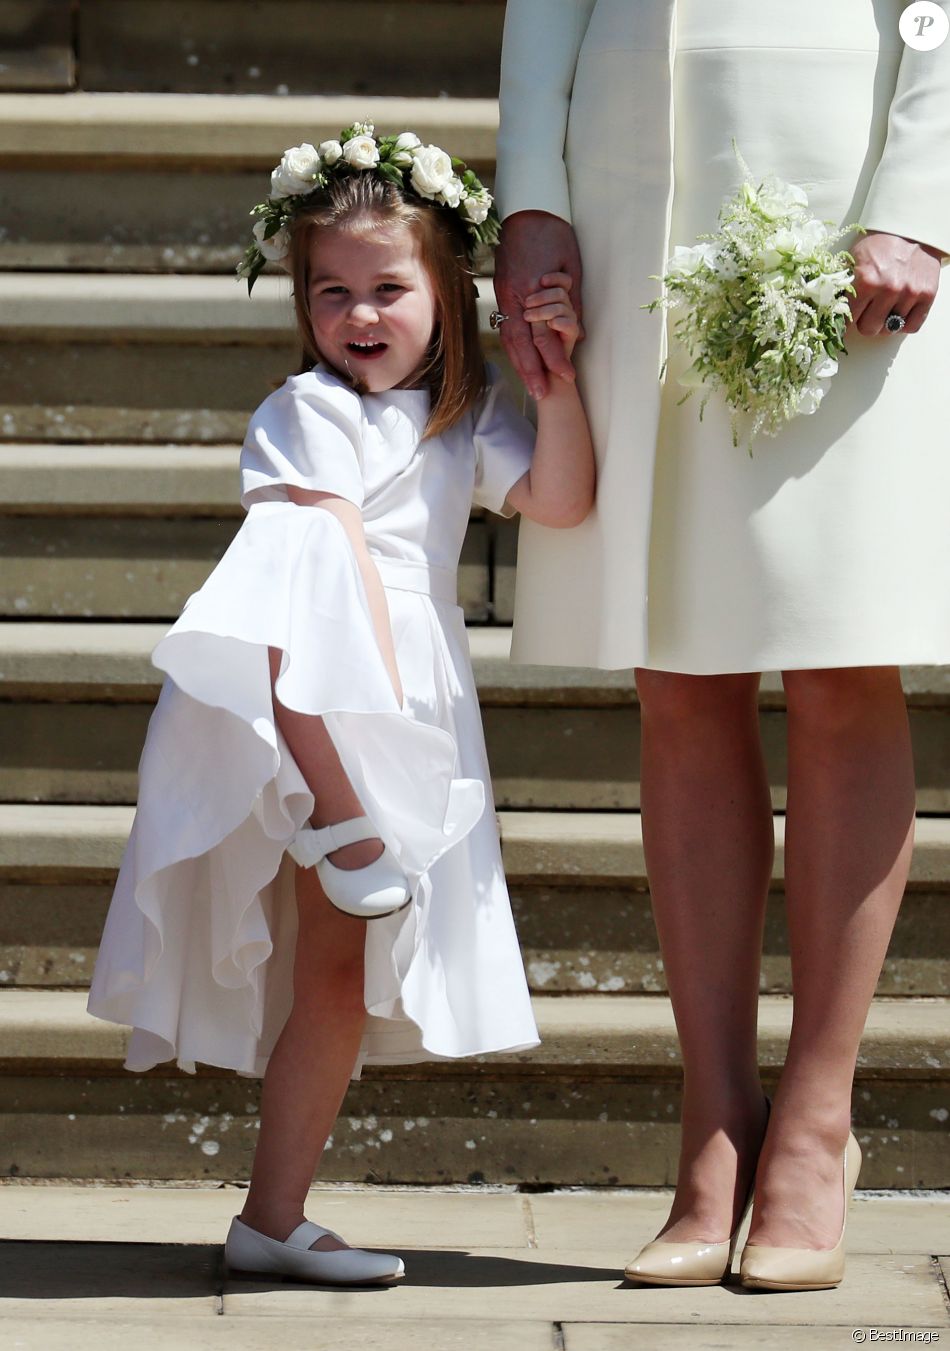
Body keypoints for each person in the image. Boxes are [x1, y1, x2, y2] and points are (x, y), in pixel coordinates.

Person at [88, 122, 594, 1285]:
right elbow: (316, 574)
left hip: (405, 690)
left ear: (444, 290)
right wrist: (350, 750)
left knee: (332, 972)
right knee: (316, 538)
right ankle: (334, 805)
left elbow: (561, 502)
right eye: (332, 292)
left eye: (386, 289)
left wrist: (552, 387)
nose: (358, 316)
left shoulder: (464, 419)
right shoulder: (300, 408)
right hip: (292, 693)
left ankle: (272, 1215)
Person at [494, 0, 949, 1292]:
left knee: (838, 649)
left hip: (838, 188)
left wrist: (920, 191)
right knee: (674, 665)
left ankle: (813, 1122)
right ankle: (712, 1122)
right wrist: (531, 186)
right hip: (630, 182)